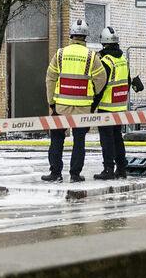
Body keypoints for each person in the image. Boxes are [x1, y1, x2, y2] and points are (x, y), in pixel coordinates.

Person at [44, 19, 108, 183]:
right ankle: (75, 174)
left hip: (61, 107)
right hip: (83, 108)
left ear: (71, 35)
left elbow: (50, 79)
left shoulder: (60, 54)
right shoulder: (91, 56)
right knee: (79, 142)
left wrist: (51, 102)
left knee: (56, 139)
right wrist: (93, 95)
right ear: (85, 36)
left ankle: (55, 173)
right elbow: (101, 79)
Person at [94, 26, 143, 180]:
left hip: (106, 107)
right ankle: (121, 169)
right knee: (117, 138)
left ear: (103, 42)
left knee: (106, 140)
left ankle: (108, 169)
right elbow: (127, 81)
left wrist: (92, 106)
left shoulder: (105, 61)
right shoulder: (123, 59)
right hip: (120, 106)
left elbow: (101, 87)